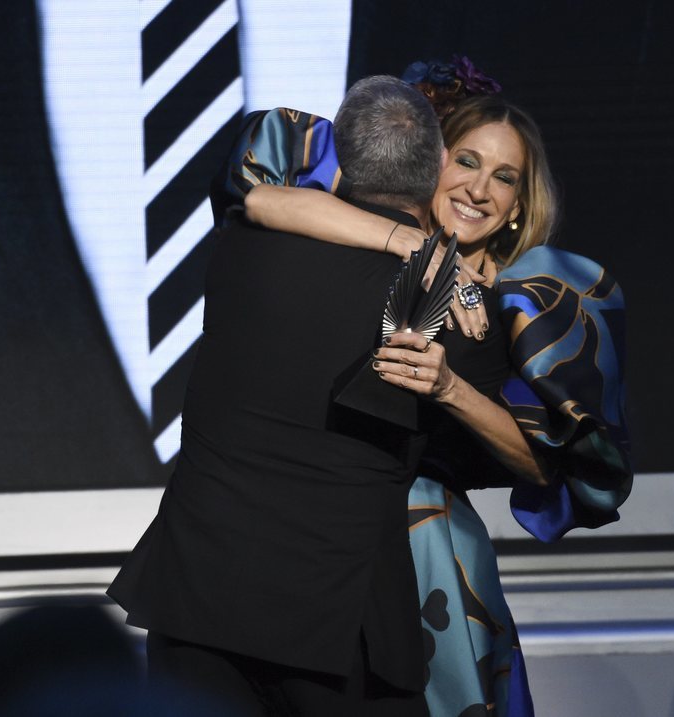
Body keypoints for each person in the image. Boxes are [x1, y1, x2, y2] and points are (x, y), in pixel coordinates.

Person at [217, 60, 632, 717]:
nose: (479, 188)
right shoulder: (361, 241)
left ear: (521, 203)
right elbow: (253, 189)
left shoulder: (529, 302)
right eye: (466, 161)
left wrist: (451, 388)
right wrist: (415, 244)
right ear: (432, 161)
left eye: (505, 177)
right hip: (308, 537)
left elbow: (547, 462)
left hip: (425, 549)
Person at [108, 76, 451, 716]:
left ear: (341, 163)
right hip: (335, 617)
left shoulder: (240, 246)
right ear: (434, 171)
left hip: (200, 595)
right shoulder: (446, 302)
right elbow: (528, 457)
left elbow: (256, 197)